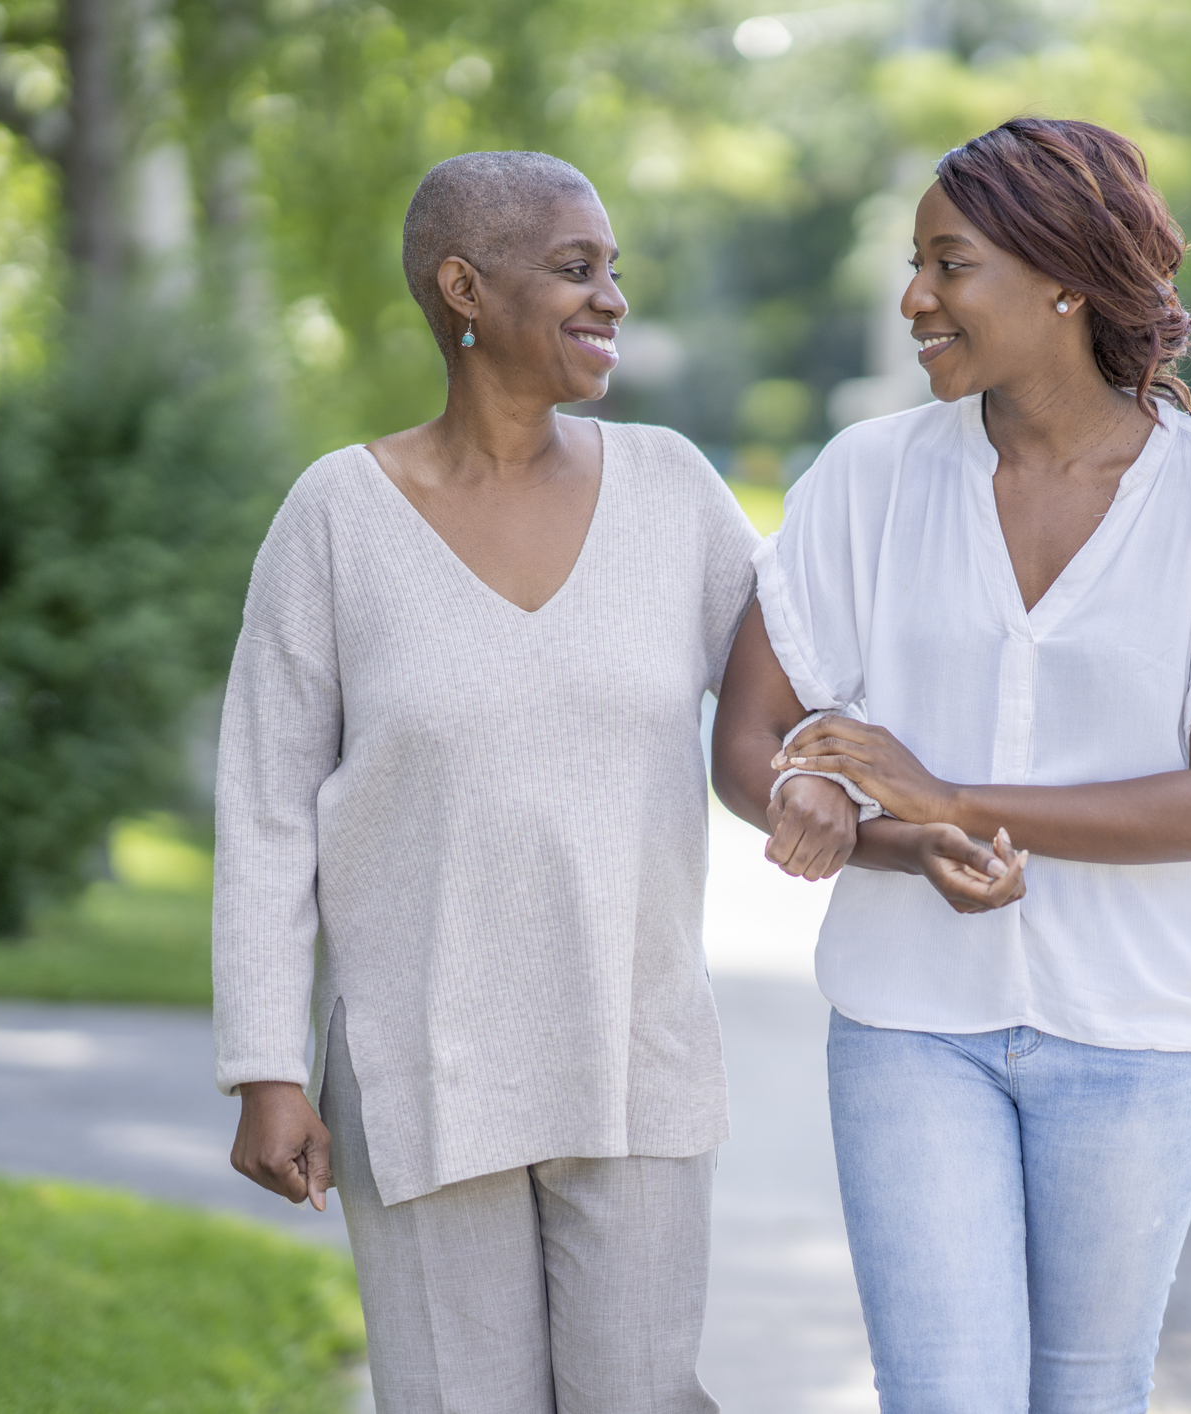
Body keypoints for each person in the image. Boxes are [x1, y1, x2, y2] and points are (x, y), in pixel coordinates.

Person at [712, 117, 1191, 1414]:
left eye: (948, 263)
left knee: (1089, 1394)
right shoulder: (865, 477)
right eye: (916, 264)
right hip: (910, 1023)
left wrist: (950, 797)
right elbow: (753, 742)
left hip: (1139, 1031)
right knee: (943, 1395)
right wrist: (852, 814)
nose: (913, 297)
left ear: (1062, 276)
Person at [213, 151, 755, 1414]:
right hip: (421, 1056)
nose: (612, 296)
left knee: (641, 1395)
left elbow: (802, 683)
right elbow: (264, 804)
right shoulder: (337, 517)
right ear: (464, 287)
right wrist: (264, 1064)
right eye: (576, 269)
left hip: (635, 1043)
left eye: (614, 270)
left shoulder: (675, 491)